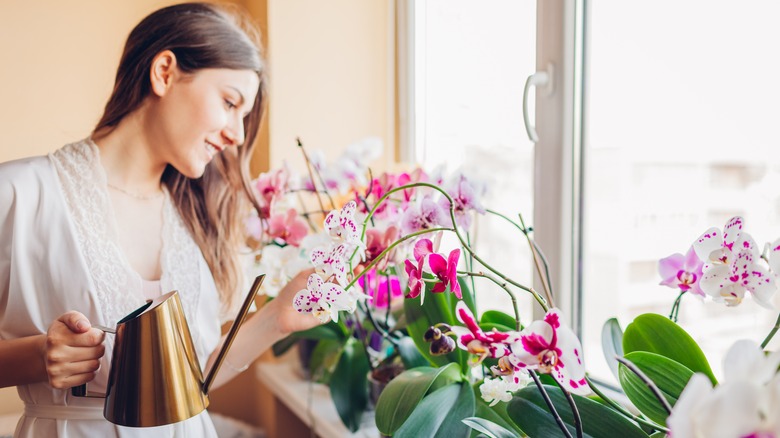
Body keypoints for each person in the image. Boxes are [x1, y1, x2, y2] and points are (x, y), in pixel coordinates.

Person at [0, 3, 318, 437]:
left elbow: (189, 384)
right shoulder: (19, 194)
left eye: (244, 117)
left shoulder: (196, 219)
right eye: (229, 102)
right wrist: (35, 357)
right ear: (164, 71)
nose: (238, 136)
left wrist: (278, 318)